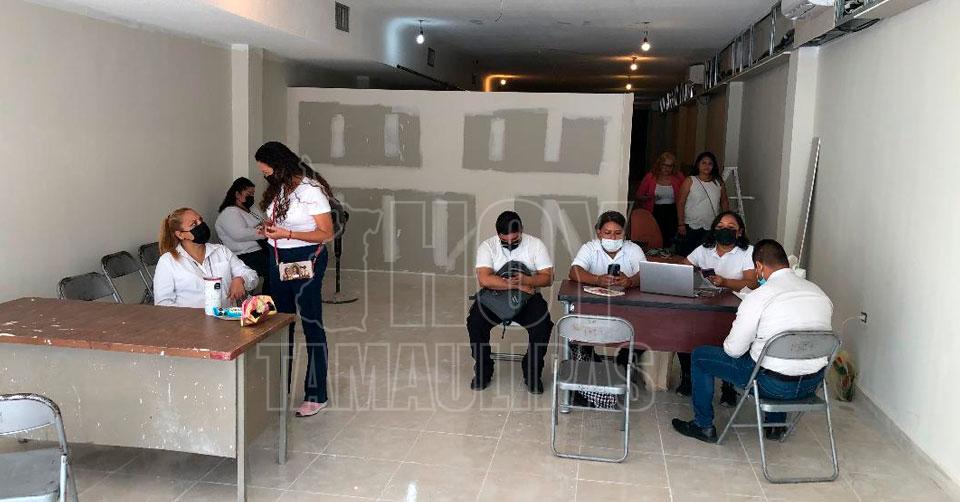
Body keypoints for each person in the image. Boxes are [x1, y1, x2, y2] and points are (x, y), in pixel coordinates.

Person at [672, 239, 833, 443]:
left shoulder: (759, 297)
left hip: (771, 386)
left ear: (759, 266)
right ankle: (775, 427)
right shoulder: (820, 294)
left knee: (700, 356)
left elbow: (733, 350)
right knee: (781, 357)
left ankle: (703, 426)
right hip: (812, 384)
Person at [256, 141, 335, 417]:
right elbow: (281, 221)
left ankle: (316, 393)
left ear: (280, 165)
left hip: (305, 258)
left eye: (266, 171)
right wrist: (268, 228)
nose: (265, 176)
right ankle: (280, 388)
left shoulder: (311, 190)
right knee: (280, 323)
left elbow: (326, 233)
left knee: (311, 324)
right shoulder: (280, 188)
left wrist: (287, 234)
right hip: (277, 257)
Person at [675, 211, 758, 404]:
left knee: (729, 341)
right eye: (720, 227)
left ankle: (728, 386)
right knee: (684, 332)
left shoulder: (748, 251)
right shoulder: (704, 249)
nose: (725, 230)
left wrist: (725, 281)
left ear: (739, 232)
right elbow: (682, 268)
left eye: (730, 228)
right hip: (705, 303)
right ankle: (687, 377)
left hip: (735, 307)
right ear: (713, 230)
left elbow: (752, 283)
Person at [467, 211, 554, 394]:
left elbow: (548, 278)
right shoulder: (487, 246)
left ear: (522, 230)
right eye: (504, 240)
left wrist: (527, 281)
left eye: (514, 239)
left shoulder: (536, 245)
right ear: (498, 234)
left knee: (543, 325)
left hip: (528, 299)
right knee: (475, 321)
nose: (509, 244)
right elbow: (484, 279)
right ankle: (483, 370)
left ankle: (532, 372)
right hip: (495, 296)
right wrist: (518, 285)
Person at [568, 210, 646, 407]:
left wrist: (630, 281)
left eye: (618, 233)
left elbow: (645, 274)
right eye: (607, 232)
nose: (612, 237)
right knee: (578, 334)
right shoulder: (590, 248)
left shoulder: (633, 249)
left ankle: (622, 370)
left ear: (625, 233)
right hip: (595, 309)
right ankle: (586, 382)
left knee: (643, 331)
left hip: (628, 310)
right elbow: (574, 272)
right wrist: (597, 279)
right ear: (598, 232)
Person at [154, 208, 258, 308]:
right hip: (191, 320)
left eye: (201, 220)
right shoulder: (167, 262)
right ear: (180, 235)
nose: (201, 225)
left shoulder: (221, 251)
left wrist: (241, 279)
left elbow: (251, 275)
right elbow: (163, 304)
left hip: (228, 316)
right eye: (194, 224)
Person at [215, 177, 270, 295]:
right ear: (237, 194)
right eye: (249, 193)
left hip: (259, 250)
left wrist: (263, 228)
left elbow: (264, 222)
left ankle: (269, 298)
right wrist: (262, 231)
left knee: (275, 270)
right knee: (272, 271)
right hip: (244, 255)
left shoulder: (251, 209)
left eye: (253, 193)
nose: (252, 196)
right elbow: (239, 234)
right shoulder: (229, 212)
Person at [676, 151, 729, 256]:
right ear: (698, 164)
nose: (706, 166)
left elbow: (724, 202)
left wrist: (726, 222)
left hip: (711, 226)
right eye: (703, 163)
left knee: (706, 255)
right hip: (690, 225)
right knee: (688, 254)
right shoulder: (690, 180)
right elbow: (680, 202)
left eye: (710, 164)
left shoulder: (718, 182)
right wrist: (681, 223)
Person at [635, 152, 685, 248]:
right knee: (655, 237)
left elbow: (685, 194)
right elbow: (638, 195)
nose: (667, 168)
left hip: (673, 211)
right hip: (655, 211)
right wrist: (650, 197)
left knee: (669, 239)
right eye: (664, 165)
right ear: (659, 165)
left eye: (670, 166)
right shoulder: (650, 177)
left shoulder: (678, 177)